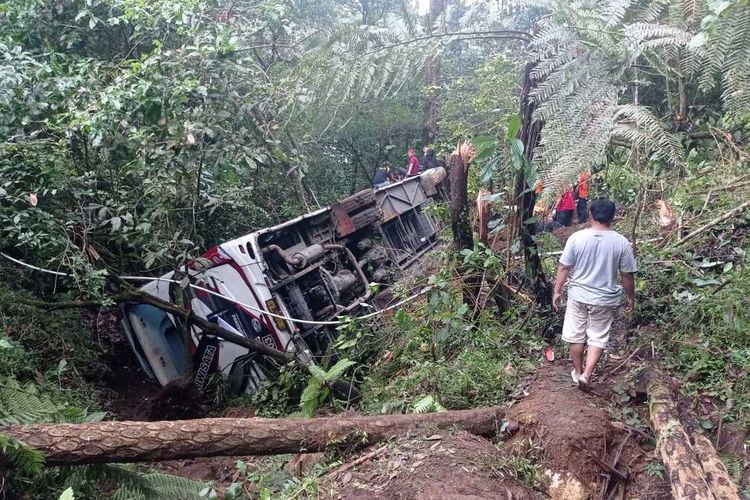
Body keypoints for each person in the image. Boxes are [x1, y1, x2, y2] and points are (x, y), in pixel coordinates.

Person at [552, 198, 637, 391]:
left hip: (579, 295)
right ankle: (587, 374)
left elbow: (565, 267)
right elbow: (626, 275)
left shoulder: (577, 238)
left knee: (576, 335)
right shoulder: (621, 242)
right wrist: (630, 297)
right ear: (612, 217)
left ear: (590, 214)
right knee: (597, 337)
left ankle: (577, 371)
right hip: (605, 299)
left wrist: (557, 291)